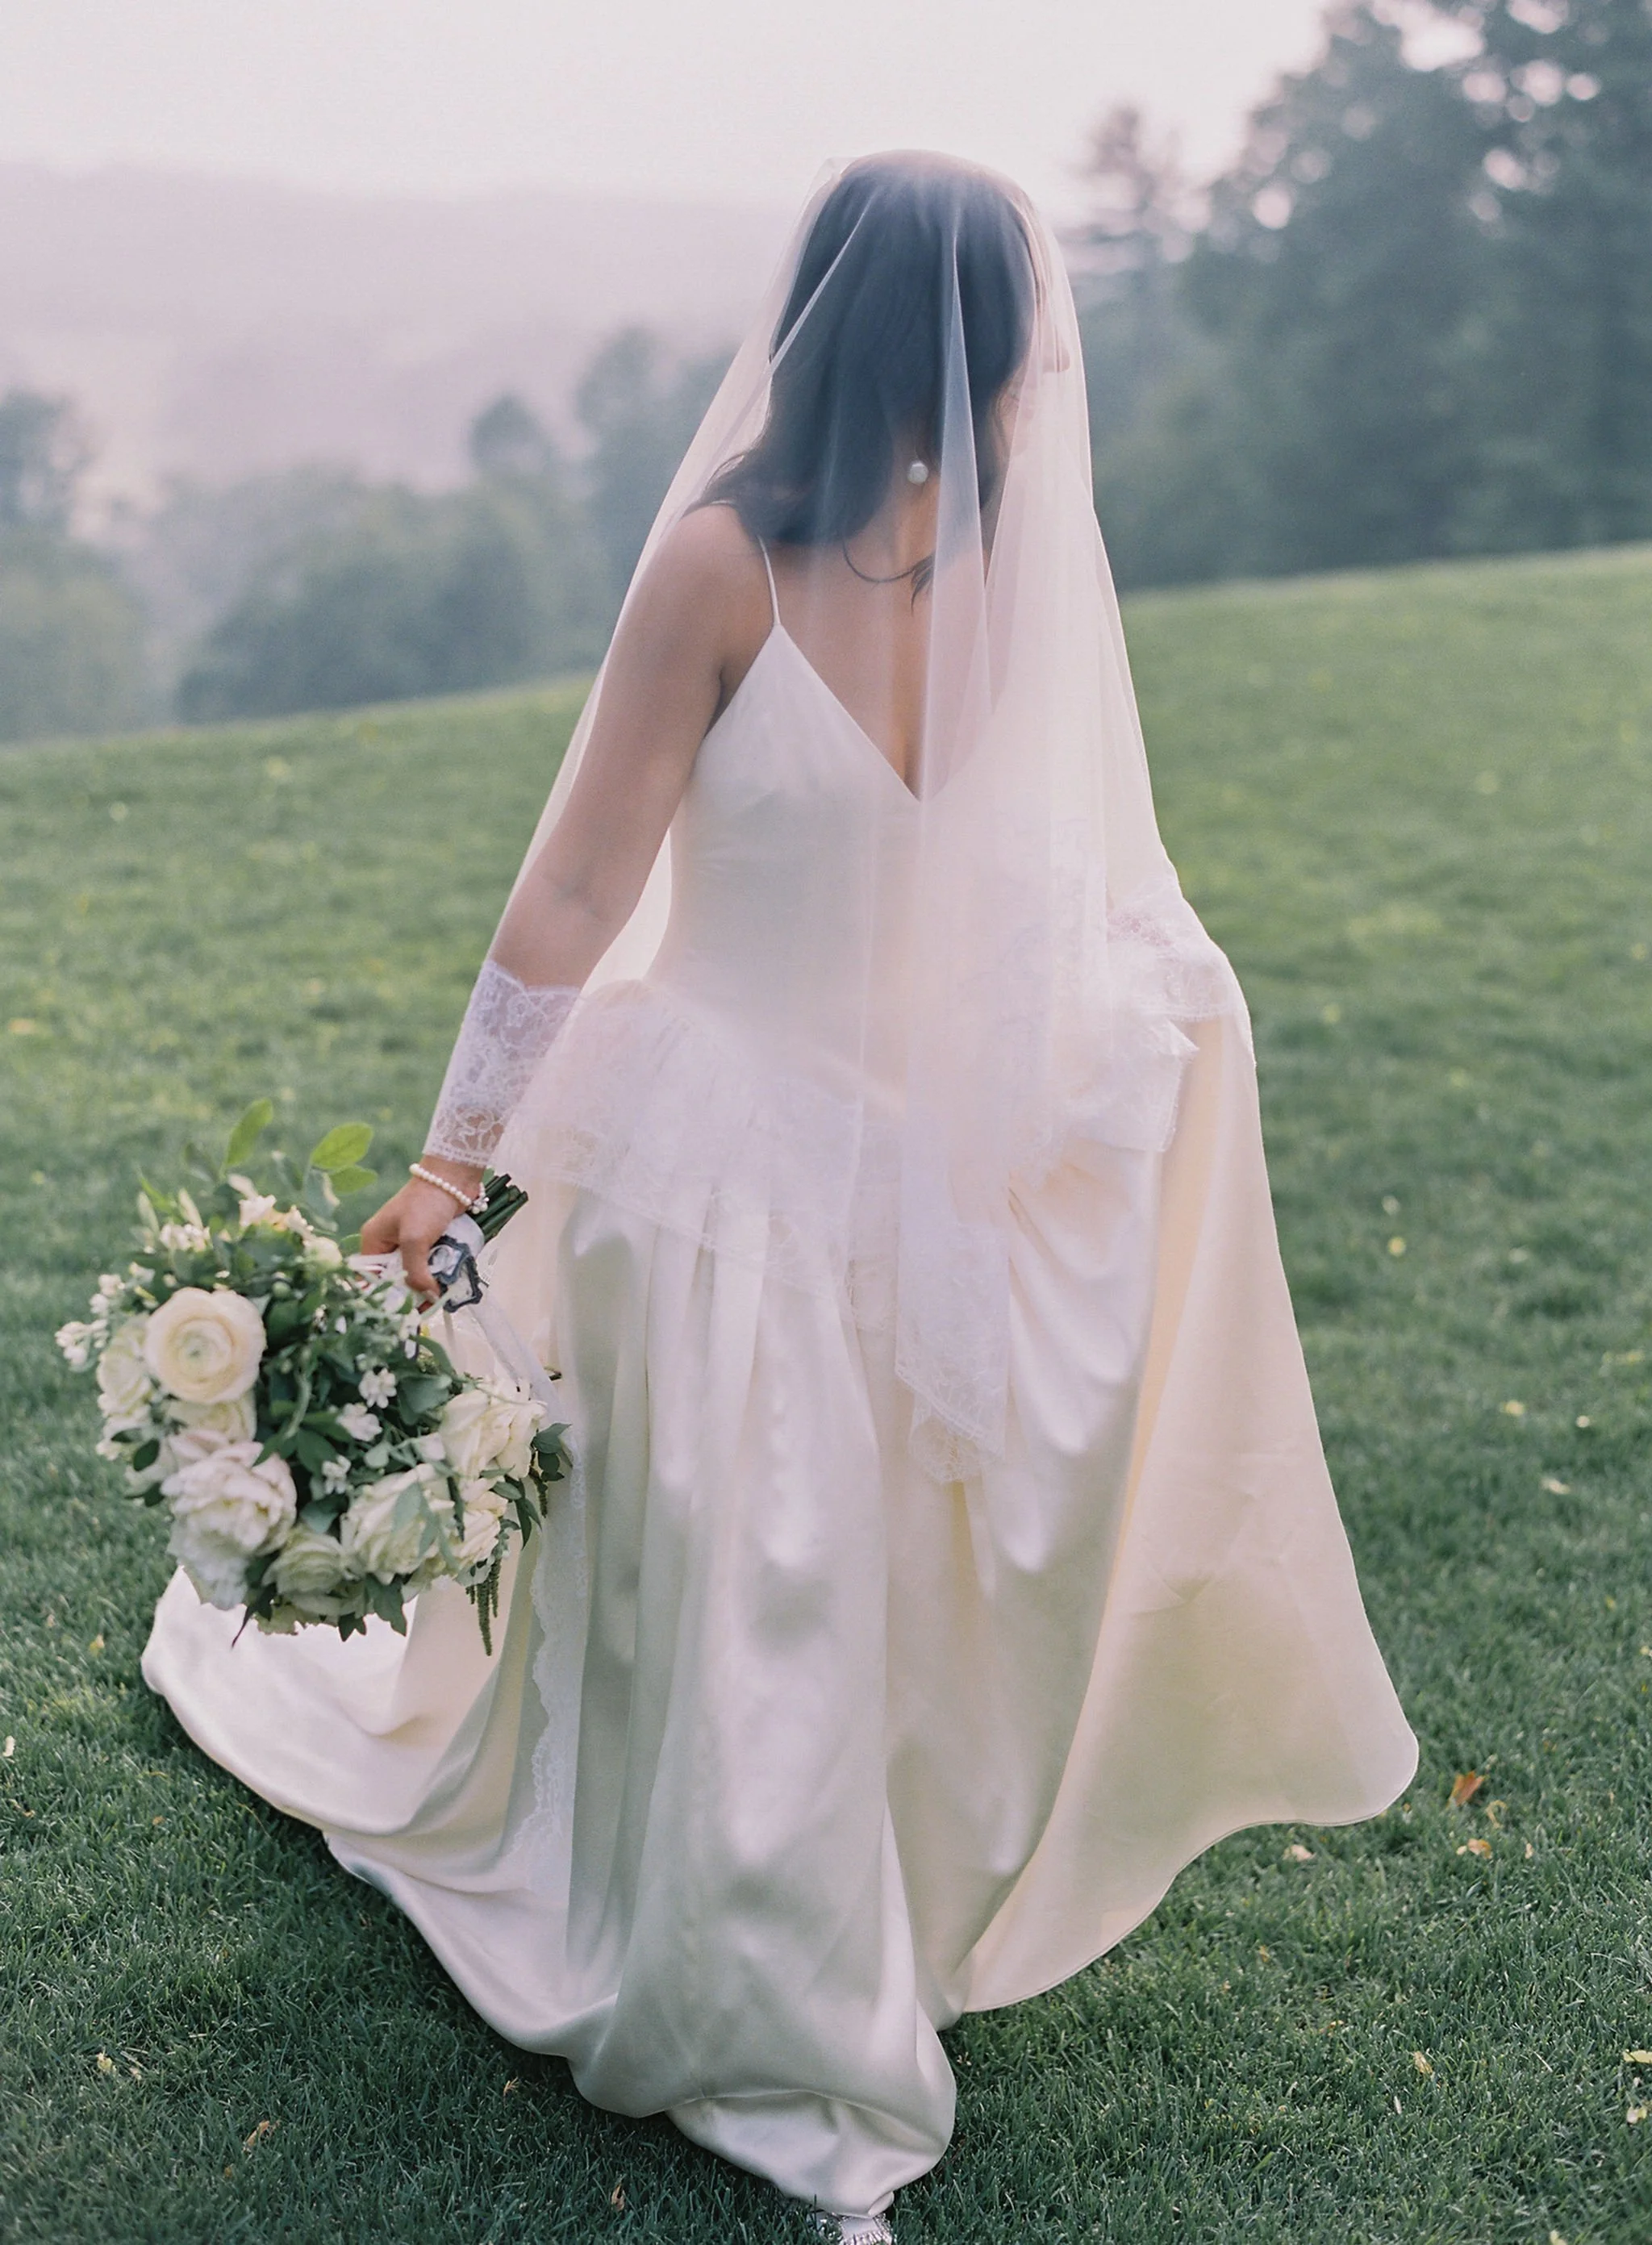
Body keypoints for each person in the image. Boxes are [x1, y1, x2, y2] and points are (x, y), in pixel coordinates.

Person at [142, 152, 1417, 2242]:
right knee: (758, 1580)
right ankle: (762, 1970)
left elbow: (740, 895)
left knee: (801, 1583)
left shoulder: (874, 567)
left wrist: (467, 1154)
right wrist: (468, 1154)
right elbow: (662, 888)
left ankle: (790, 1931)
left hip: (818, 1165)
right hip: (755, 1180)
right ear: (1000, 352)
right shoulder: (844, 569)